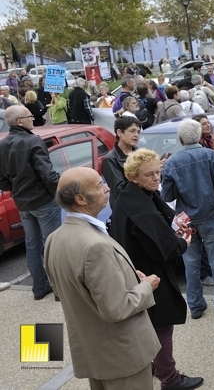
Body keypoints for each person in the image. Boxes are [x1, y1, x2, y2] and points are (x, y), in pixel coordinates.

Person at [43, 167, 161, 390]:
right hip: (122, 357)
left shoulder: (54, 238)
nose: (107, 188)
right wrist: (146, 286)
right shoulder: (95, 245)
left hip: (95, 354)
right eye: (99, 186)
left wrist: (123, 275)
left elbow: (66, 288)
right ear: (80, 199)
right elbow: (117, 309)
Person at [110, 150, 203, 390]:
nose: (156, 178)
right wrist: (182, 242)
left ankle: (154, 365)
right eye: (149, 174)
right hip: (148, 275)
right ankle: (170, 378)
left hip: (136, 270)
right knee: (161, 326)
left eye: (158, 172)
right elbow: (163, 246)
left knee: (149, 325)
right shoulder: (139, 206)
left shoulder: (131, 196)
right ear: (133, 177)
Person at [161, 119, 214, 320]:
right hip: (211, 214)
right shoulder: (211, 157)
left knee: (191, 263)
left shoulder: (172, 162)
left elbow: (167, 196)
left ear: (180, 139)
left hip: (185, 218)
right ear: (198, 136)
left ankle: (195, 306)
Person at [0, 105, 62, 300]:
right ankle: (61, 290)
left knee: (33, 245)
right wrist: (57, 194)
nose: (33, 118)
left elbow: (2, 179)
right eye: (29, 116)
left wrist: (16, 188)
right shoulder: (33, 141)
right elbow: (48, 174)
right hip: (42, 200)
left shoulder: (3, 144)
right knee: (53, 245)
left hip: (23, 202)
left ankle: (39, 288)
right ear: (20, 121)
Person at [102, 116, 141, 207]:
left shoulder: (140, 154)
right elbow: (120, 189)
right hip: (125, 209)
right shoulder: (110, 159)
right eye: (132, 131)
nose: (136, 135)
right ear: (119, 132)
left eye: (138, 132)